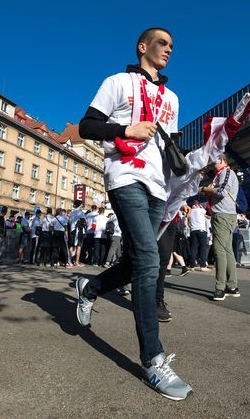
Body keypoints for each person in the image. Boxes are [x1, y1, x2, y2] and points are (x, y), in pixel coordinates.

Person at [76, 27, 192, 400]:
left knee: (140, 259)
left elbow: (170, 146)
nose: (168, 50)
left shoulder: (172, 97)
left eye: (172, 46)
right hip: (125, 175)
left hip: (159, 185)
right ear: (144, 47)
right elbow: (87, 126)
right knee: (147, 260)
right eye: (163, 44)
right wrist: (126, 127)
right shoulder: (117, 81)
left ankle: (90, 287)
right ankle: (153, 362)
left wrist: (189, 178)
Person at [199, 155, 240, 301]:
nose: (212, 164)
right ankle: (232, 286)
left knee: (219, 250)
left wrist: (204, 189)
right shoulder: (223, 173)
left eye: (215, 161)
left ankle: (220, 287)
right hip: (224, 214)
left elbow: (222, 191)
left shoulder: (226, 172)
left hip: (223, 214)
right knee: (227, 250)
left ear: (222, 160)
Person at [187, 200, 208, 270]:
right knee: (203, 248)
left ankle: (192, 265)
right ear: (198, 205)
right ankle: (203, 265)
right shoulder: (201, 210)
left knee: (193, 248)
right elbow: (206, 212)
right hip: (201, 230)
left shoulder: (191, 211)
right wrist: (200, 207)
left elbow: (188, 217)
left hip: (193, 230)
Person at [68, 200, 86, 267]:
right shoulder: (81, 213)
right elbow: (84, 222)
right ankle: (76, 262)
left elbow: (69, 221)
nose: (82, 205)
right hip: (79, 231)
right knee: (79, 247)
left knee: (71, 246)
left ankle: (69, 262)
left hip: (72, 230)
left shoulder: (72, 212)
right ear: (79, 205)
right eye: (81, 204)